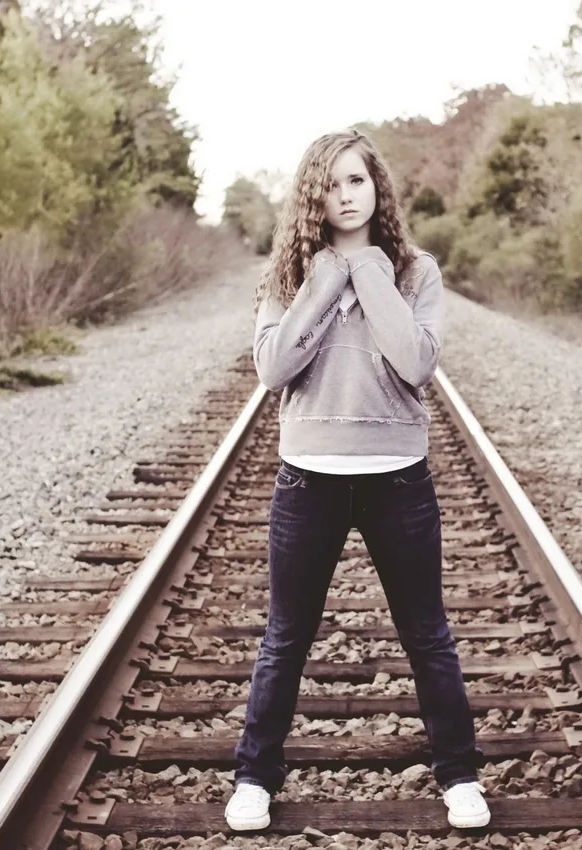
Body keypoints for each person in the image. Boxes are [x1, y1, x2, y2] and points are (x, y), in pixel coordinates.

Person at [224, 129, 488, 832]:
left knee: (426, 634)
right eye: (332, 184)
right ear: (315, 194)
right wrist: (324, 283)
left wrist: (366, 271)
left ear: (378, 189)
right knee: (286, 636)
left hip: (397, 480)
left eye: (358, 181)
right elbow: (273, 369)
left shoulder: (415, 272)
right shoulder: (288, 276)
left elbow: (415, 362)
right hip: (308, 480)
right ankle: (254, 777)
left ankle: (459, 775)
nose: (346, 195)